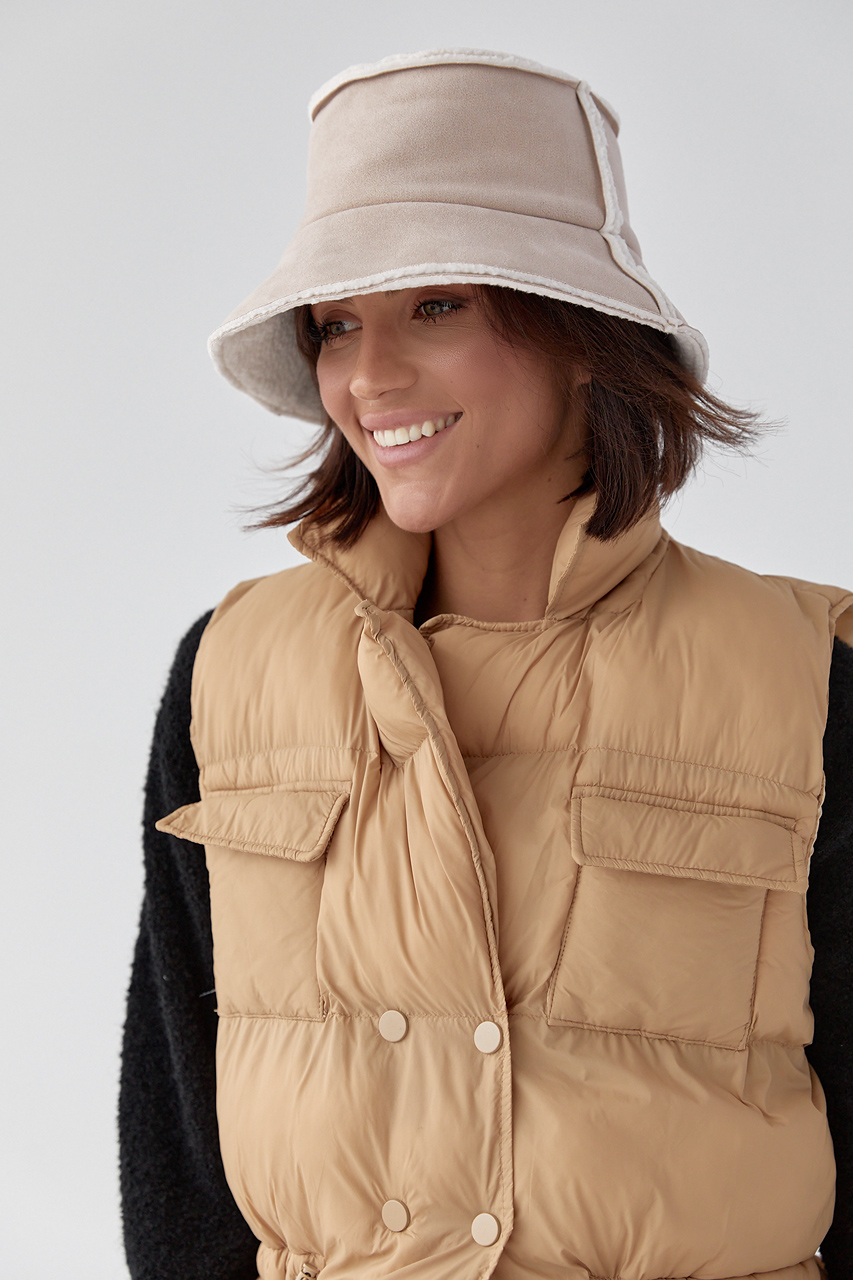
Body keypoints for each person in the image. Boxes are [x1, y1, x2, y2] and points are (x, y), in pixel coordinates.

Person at [119, 50, 853, 1280]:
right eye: (337, 324)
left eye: (437, 307)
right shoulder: (231, 674)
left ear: (582, 333)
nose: (369, 375)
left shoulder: (799, 680)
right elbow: (180, 1153)